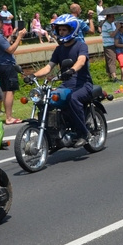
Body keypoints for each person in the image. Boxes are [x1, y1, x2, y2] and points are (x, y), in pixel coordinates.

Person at [31, 14, 93, 146]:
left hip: (83, 84)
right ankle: (52, 135)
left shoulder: (81, 46)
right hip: (66, 85)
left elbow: (81, 61)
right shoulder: (59, 49)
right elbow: (49, 67)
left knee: (73, 98)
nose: (61, 32)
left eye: (64, 30)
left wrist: (72, 70)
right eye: (59, 30)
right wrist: (33, 75)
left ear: (71, 30)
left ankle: (84, 133)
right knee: (45, 100)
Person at [0, 11, 27, 125]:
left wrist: (12, 35)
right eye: (1, 22)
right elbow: (10, 50)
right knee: (10, 91)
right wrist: (19, 37)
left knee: (5, 91)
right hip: (7, 65)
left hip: (0, 65)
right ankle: (9, 117)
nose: (3, 24)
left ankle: (8, 116)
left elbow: (5, 45)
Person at [100, 12, 119, 82]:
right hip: (109, 45)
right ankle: (114, 77)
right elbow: (112, 35)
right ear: (108, 17)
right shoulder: (107, 25)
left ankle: (109, 76)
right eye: (112, 17)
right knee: (112, 60)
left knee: (108, 60)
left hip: (109, 44)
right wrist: (117, 28)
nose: (114, 18)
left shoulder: (111, 24)